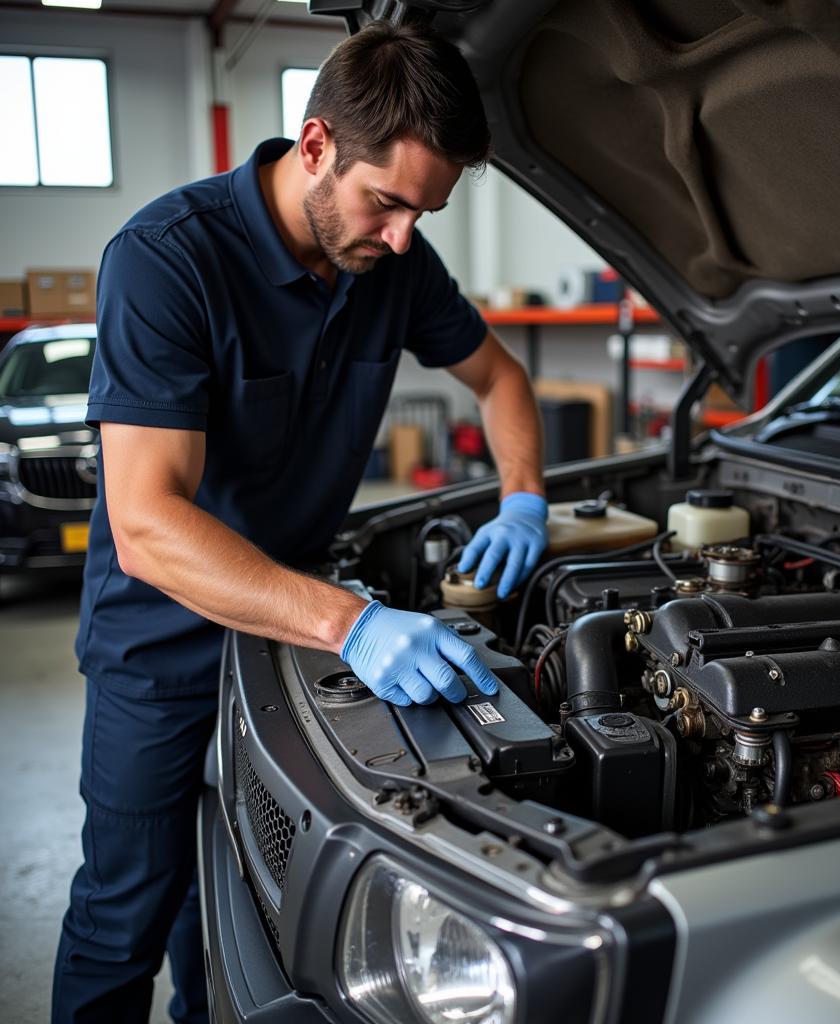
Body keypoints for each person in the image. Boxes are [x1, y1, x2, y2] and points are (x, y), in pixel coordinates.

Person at [52, 20, 547, 1024]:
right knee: (123, 917)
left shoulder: (391, 263)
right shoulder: (165, 260)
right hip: (160, 652)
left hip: (290, 655)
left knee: (233, 914)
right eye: (390, 202)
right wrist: (353, 624)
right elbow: (147, 521)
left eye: (427, 211)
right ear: (315, 146)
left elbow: (499, 379)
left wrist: (525, 495)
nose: (406, 236)